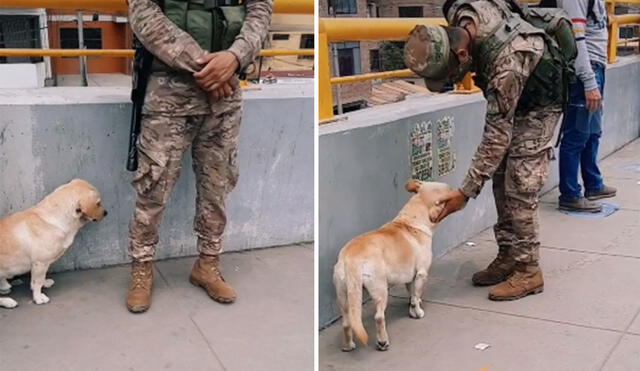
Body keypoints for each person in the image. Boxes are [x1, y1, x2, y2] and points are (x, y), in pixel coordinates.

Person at [404, 0, 568, 301]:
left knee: (520, 183)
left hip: (541, 103)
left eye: (452, 72)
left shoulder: (507, 62)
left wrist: (464, 193)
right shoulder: (459, 13)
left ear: (463, 53)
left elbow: (497, 134)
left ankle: (529, 270)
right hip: (516, 95)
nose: (453, 79)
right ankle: (508, 255)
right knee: (500, 174)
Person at [126, 0, 273, 313]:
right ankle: (142, 268)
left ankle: (208, 263)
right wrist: (210, 67)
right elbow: (143, 12)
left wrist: (235, 57)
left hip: (224, 96)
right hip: (170, 92)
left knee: (217, 187)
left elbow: (260, 9)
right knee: (153, 186)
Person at [554, 0, 616, 212]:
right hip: (584, 73)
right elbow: (577, 40)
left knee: (592, 132)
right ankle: (570, 194)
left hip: (597, 66)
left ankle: (593, 184)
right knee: (576, 135)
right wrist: (589, 81)